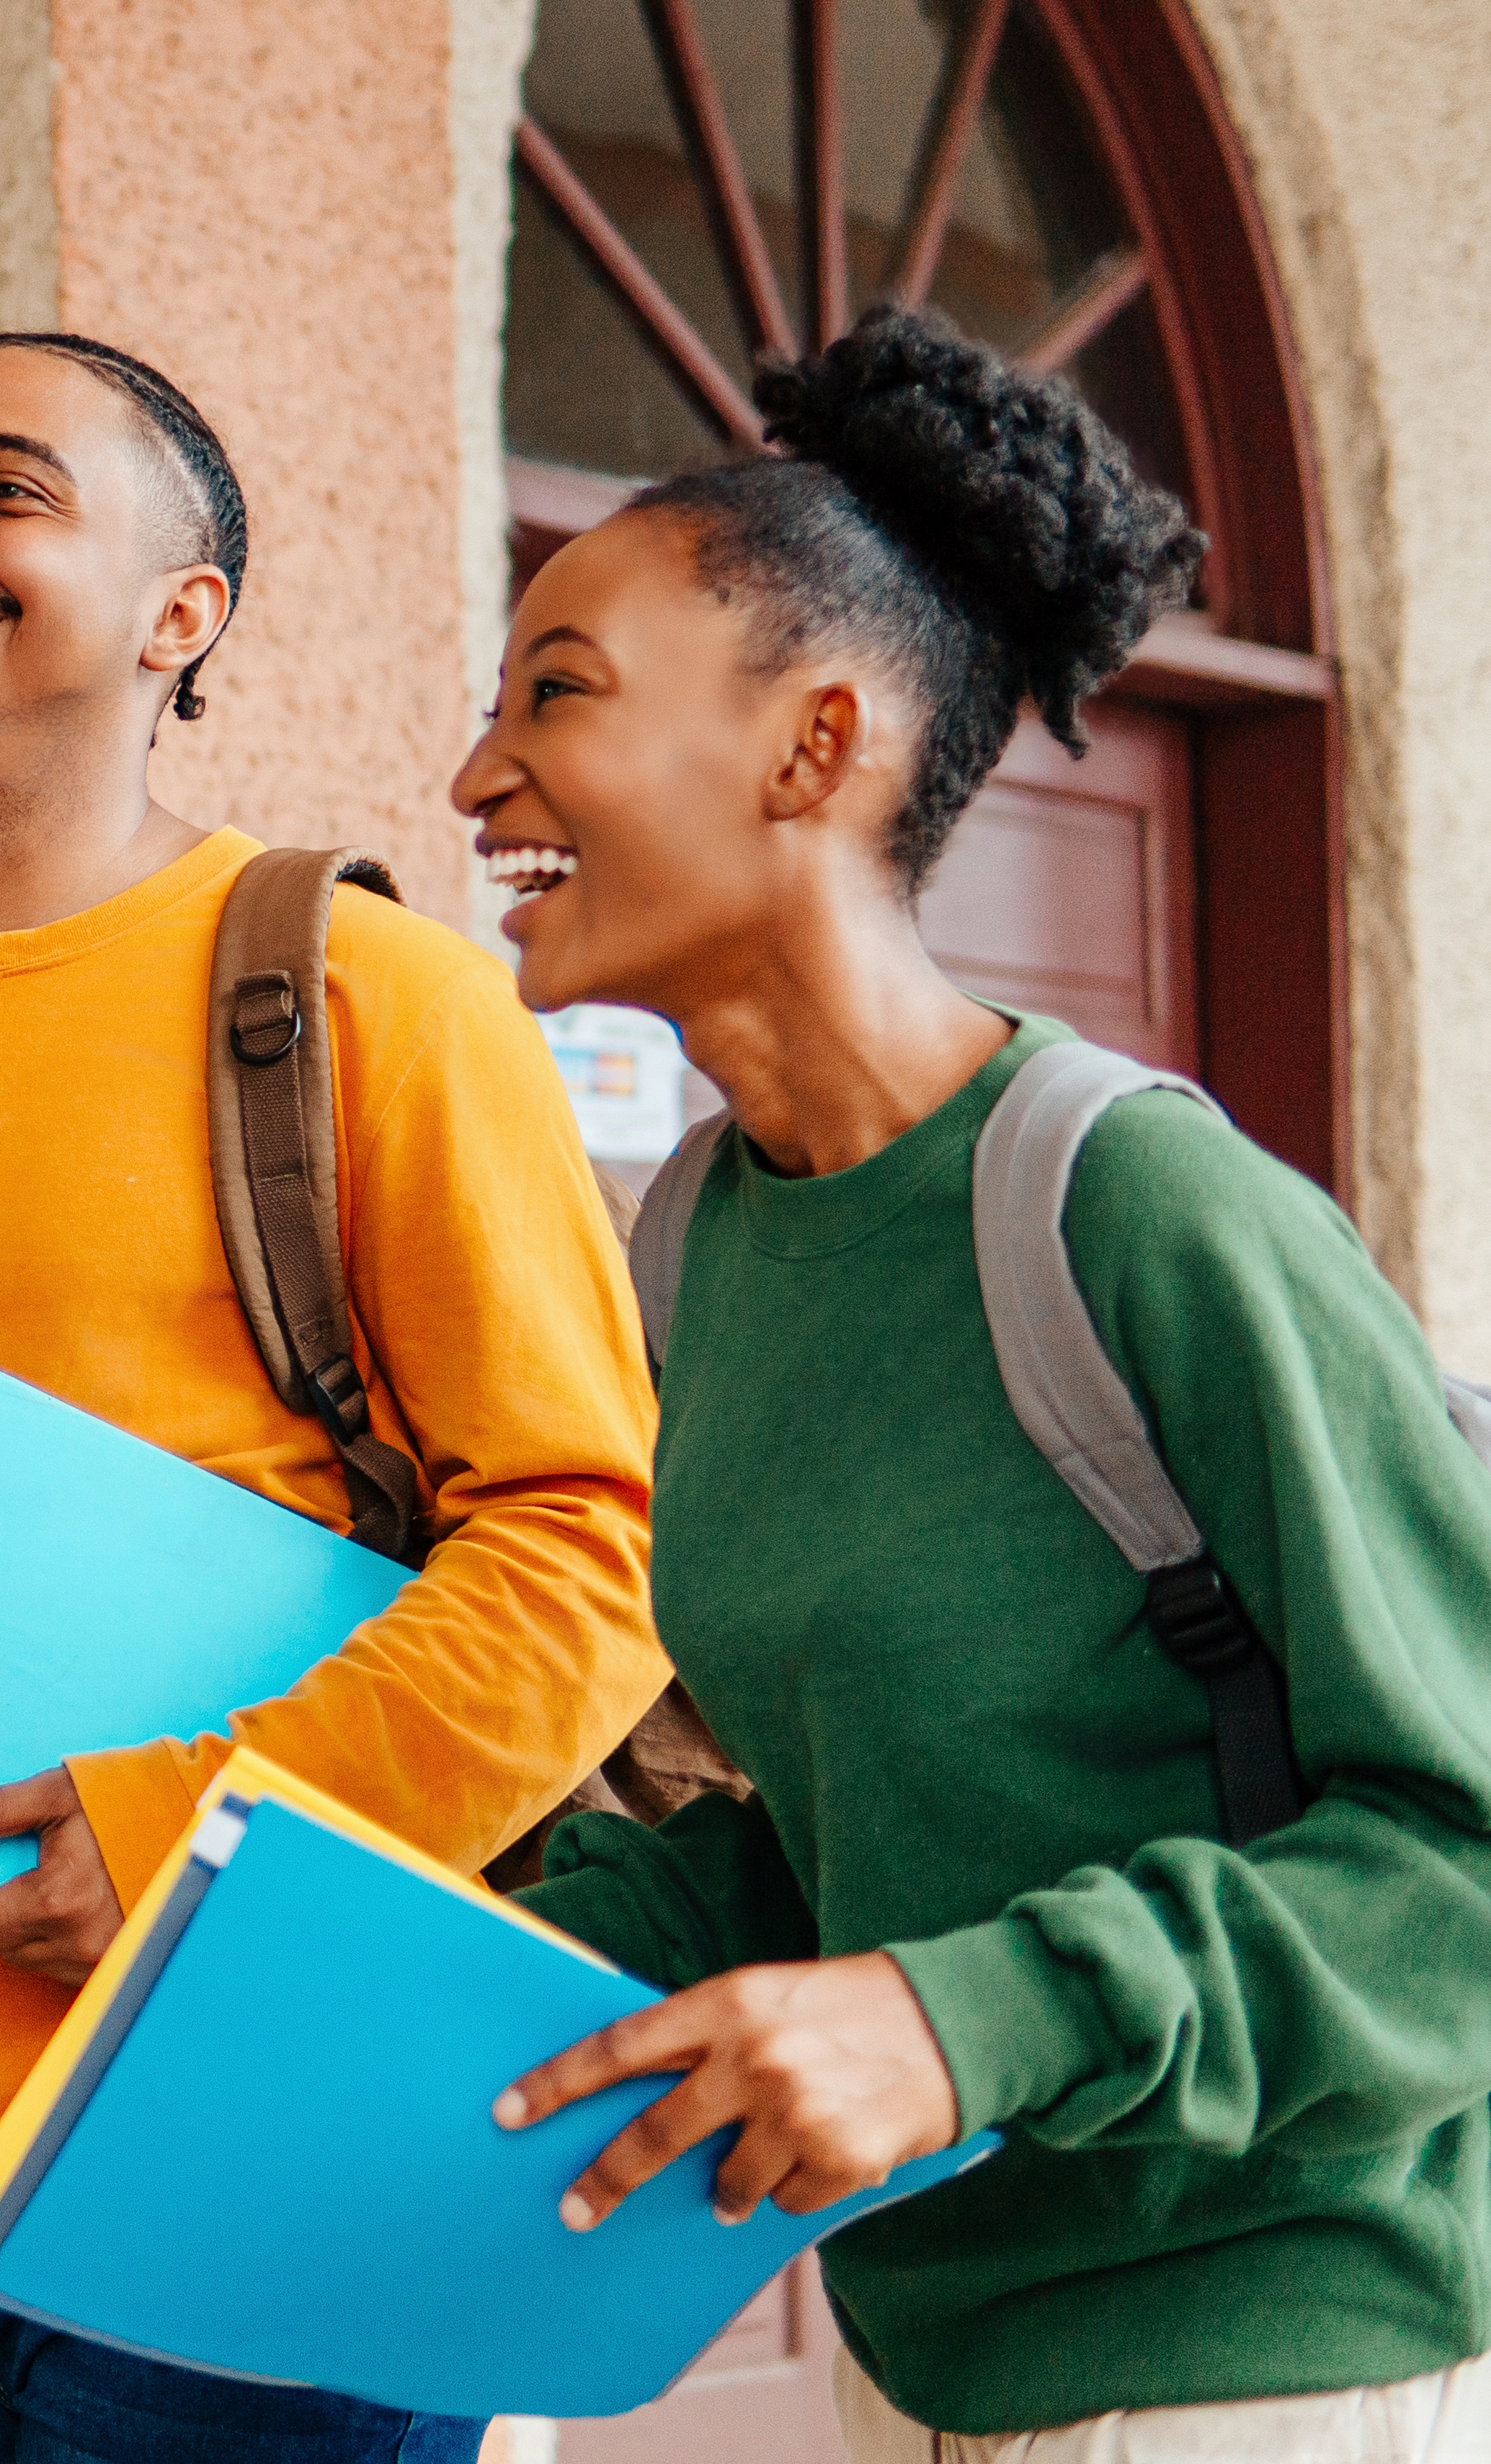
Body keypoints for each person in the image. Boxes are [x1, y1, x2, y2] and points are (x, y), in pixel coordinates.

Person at [0, 332, 672, 2461]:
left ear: (186, 619)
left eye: (8, 488)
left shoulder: (384, 1003)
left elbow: (588, 1554)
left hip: (268, 2139)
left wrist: (185, 1834)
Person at [458, 306, 1491, 2462]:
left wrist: (970, 2016)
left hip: (1274, 2367)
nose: (478, 778)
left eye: (555, 695)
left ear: (813, 748)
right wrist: (397, 1923)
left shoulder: (1145, 1212)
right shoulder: (708, 1244)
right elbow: (841, 1841)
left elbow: (1457, 1860)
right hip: (924, 2364)